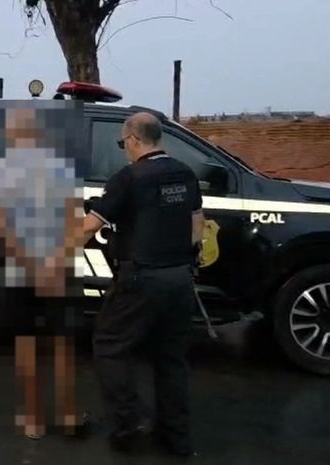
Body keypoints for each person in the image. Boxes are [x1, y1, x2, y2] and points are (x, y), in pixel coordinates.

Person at [79, 112, 205, 457]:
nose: (124, 149)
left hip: (141, 280)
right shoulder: (185, 173)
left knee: (110, 345)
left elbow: (89, 227)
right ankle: (176, 437)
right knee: (171, 358)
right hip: (180, 279)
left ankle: (127, 426)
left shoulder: (129, 178)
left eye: (123, 143)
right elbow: (197, 226)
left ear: (134, 140)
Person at [0, 104, 89, 440]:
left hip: (19, 270)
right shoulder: (62, 170)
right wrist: (55, 262)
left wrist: (31, 265)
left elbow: (1, 229)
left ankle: (32, 419)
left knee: (26, 344)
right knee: (63, 343)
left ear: (11, 135)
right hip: (59, 269)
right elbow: (75, 222)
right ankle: (68, 415)